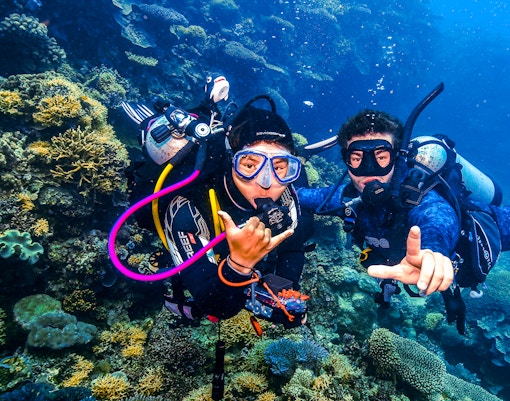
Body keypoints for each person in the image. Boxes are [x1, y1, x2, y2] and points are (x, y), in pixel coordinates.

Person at [296, 109, 510, 334]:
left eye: (381, 157)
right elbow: (303, 197)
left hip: (491, 226)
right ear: (346, 161)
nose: (369, 171)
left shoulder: (417, 194)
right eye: (357, 158)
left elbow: (436, 218)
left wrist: (432, 251)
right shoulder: (348, 199)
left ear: (397, 157)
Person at [161, 95, 311, 328]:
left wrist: (285, 297)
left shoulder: (286, 194)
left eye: (280, 167)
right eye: (249, 165)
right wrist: (239, 265)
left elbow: (293, 246)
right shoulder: (187, 205)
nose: (267, 181)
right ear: (231, 160)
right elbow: (215, 307)